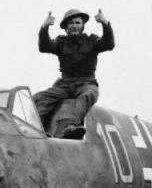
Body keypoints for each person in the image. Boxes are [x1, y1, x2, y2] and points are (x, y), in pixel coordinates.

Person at [34, 8, 115, 139]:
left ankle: (71, 126)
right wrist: (44, 28)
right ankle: (37, 129)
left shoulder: (91, 41)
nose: (74, 26)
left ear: (83, 25)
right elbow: (45, 47)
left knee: (88, 95)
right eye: (71, 23)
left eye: (77, 23)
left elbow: (108, 44)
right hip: (64, 85)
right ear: (66, 27)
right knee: (40, 97)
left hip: (86, 82)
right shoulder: (61, 43)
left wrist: (105, 24)